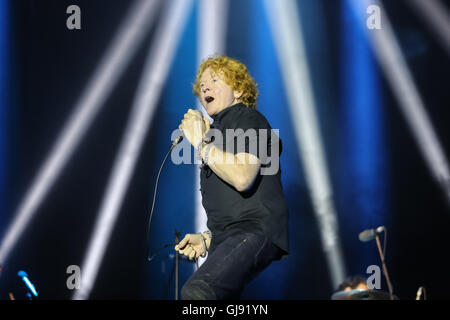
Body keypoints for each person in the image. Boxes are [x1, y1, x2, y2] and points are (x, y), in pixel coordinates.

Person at [175, 55, 289, 300]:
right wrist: (207, 239)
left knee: (197, 292)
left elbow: (242, 178)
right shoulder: (217, 134)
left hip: (257, 231)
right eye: (202, 84)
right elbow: (233, 205)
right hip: (231, 236)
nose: (205, 87)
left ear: (238, 90)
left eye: (214, 80)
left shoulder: (249, 119)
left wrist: (201, 142)